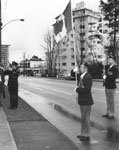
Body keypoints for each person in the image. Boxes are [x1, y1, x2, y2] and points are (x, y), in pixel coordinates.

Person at [75, 62, 94, 141]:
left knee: (85, 118)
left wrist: (77, 89)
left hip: (86, 101)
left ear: (86, 69)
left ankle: (86, 135)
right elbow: (80, 85)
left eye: (81, 67)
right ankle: (83, 133)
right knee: (83, 118)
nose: (80, 69)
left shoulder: (88, 77)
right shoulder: (82, 76)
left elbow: (87, 89)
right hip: (82, 100)